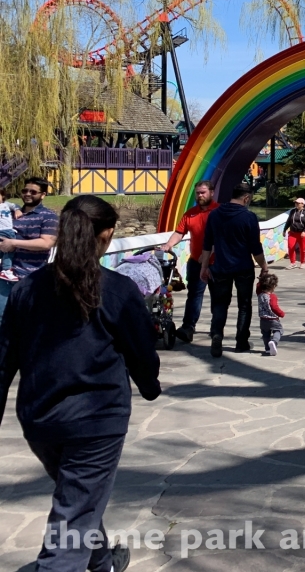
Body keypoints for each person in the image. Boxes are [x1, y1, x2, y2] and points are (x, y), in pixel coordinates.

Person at [0, 195, 161, 572]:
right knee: (75, 507)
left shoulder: (26, 290)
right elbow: (142, 351)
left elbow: (3, 360)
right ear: (105, 236)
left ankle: (102, 559)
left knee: (78, 497)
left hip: (39, 420)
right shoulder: (119, 290)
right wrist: (149, 383)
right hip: (97, 420)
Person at [200, 182, 269, 357]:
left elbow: (207, 243)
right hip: (243, 268)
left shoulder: (214, 215)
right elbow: (255, 247)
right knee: (244, 305)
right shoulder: (249, 217)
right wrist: (264, 266)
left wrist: (204, 267)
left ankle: (217, 334)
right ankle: (241, 341)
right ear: (246, 198)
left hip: (221, 268)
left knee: (220, 304)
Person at [161, 180, 219, 343]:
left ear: (211, 193)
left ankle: (216, 330)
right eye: (198, 193)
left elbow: (223, 237)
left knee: (217, 298)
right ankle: (188, 328)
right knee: (194, 296)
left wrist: (208, 254)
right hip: (195, 262)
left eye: (203, 192)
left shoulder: (219, 212)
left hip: (217, 264)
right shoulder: (190, 213)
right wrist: (169, 244)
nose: (200, 195)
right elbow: (179, 232)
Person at [0, 177, 58, 316]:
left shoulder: (49, 216)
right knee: (3, 318)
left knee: (29, 320)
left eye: (33, 192)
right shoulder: (10, 214)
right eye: (25, 190)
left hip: (32, 277)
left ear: (43, 195)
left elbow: (46, 243)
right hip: (5, 277)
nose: (28, 194)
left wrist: (13, 243)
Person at [257, 272, 285, 356]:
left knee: (265, 334)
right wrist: (281, 313)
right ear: (273, 286)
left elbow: (258, 287)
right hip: (273, 319)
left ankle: (268, 349)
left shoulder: (260, 294)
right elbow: (274, 307)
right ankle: (274, 341)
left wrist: (260, 280)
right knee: (278, 331)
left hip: (263, 320)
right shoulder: (272, 296)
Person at [0, 187, 22, 282]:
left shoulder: (6, 204)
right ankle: (6, 269)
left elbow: (16, 206)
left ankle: (5, 268)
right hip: (4, 231)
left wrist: (17, 210)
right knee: (10, 248)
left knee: (5, 250)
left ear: (2, 195)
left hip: (8, 230)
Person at [286, 197, 305, 269]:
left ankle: (303, 262)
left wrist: (304, 231)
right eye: (295, 203)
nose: (296, 204)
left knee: (303, 248)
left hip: (302, 234)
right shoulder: (292, 211)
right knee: (291, 247)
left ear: (303, 204)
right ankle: (293, 263)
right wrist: (284, 230)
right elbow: (289, 221)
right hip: (293, 233)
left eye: (298, 203)